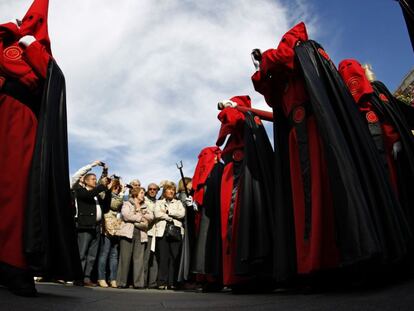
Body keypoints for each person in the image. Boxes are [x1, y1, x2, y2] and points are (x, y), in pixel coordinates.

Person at [251, 22, 412, 283]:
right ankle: (312, 261)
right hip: (297, 136)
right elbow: (272, 98)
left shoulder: (301, 53)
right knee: (306, 199)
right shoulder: (284, 79)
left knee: (322, 192)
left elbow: (283, 55)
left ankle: (330, 259)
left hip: (314, 132)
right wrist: (261, 69)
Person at [0, 0, 81, 296]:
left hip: (19, 120)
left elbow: (50, 78)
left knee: (16, 190)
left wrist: (32, 45)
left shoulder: (38, 50)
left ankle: (12, 263)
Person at [215, 96, 275, 292]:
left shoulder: (247, 120)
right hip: (233, 172)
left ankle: (248, 274)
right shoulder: (243, 125)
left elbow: (231, 118)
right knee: (231, 225)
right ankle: (234, 275)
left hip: (242, 173)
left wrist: (234, 107)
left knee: (242, 219)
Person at [191, 146, 224, 292]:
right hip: (211, 212)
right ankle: (210, 277)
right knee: (208, 242)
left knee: (209, 242)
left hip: (213, 211)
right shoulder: (216, 169)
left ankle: (211, 277)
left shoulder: (215, 170)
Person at [75, 173, 112, 286]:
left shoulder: (96, 194)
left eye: (96, 179)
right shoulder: (81, 191)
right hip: (85, 226)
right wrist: (102, 185)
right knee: (82, 253)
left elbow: (105, 208)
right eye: (93, 179)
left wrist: (108, 191)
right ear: (86, 181)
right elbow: (88, 195)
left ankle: (87, 278)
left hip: (96, 226)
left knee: (92, 255)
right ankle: (78, 277)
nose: (95, 181)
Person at [117, 187, 154, 289]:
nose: (143, 195)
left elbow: (151, 217)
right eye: (141, 193)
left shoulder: (145, 206)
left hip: (140, 234)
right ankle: (122, 282)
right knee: (125, 258)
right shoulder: (127, 203)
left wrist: (137, 214)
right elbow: (125, 215)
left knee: (139, 260)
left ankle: (138, 284)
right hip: (127, 233)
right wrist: (141, 217)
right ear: (135, 194)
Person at [154, 181, 185, 289]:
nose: (172, 191)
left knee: (174, 257)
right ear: (164, 191)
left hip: (176, 232)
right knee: (163, 257)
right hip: (162, 232)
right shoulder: (159, 202)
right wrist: (169, 217)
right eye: (169, 189)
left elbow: (182, 214)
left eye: (173, 190)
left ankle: (173, 283)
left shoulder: (178, 203)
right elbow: (157, 213)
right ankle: (162, 282)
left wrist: (168, 212)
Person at [97, 178, 124, 288]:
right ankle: (101, 278)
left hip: (117, 227)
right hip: (107, 226)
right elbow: (114, 205)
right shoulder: (105, 195)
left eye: (119, 188)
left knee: (114, 254)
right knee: (105, 252)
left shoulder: (120, 197)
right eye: (115, 187)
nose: (117, 189)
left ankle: (113, 278)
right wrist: (121, 195)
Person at [143, 183, 160, 288]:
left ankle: (152, 283)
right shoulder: (144, 200)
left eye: (155, 189)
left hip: (157, 233)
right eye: (150, 189)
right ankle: (143, 281)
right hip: (147, 232)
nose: (152, 191)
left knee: (155, 259)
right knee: (145, 258)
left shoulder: (159, 202)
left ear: (157, 191)